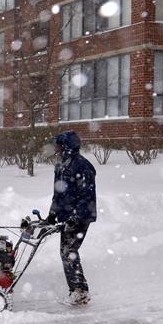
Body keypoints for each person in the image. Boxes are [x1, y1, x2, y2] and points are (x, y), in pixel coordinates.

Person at [47, 130, 96, 305]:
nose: (56, 148)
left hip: (81, 217)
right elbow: (58, 193)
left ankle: (80, 292)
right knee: (67, 252)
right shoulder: (61, 165)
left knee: (69, 252)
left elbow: (86, 196)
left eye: (58, 145)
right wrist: (52, 214)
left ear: (66, 146)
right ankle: (77, 290)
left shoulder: (83, 166)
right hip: (67, 216)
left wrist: (76, 217)